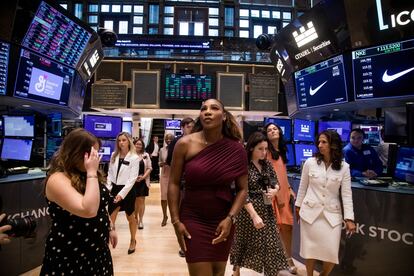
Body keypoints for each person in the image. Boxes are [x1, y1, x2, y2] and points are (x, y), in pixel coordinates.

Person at [168, 99, 248, 276]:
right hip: (192, 217)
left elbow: (243, 189)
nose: (207, 111)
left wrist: (230, 218)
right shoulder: (184, 144)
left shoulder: (236, 149)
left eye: (214, 108)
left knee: (218, 273)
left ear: (224, 116)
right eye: (203, 108)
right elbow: (173, 183)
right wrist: (175, 220)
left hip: (222, 219)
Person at [40, 128, 117, 275]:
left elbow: (100, 206)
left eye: (97, 153)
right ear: (76, 153)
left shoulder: (86, 174)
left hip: (98, 253)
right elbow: (88, 210)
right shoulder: (57, 179)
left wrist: (110, 227)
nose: (95, 159)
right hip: (71, 256)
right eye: (92, 154)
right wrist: (92, 172)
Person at [295, 130, 356, 276]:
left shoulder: (344, 167)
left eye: (324, 142)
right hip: (310, 214)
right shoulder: (310, 163)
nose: (319, 145)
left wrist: (349, 218)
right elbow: (302, 187)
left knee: (332, 252)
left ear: (333, 145)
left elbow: (346, 194)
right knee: (310, 251)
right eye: (319, 142)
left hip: (332, 215)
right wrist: (297, 206)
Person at [230, 132, 289, 276]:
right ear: (251, 148)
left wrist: (275, 191)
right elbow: (242, 193)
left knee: (272, 243)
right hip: (247, 211)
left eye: (265, 149)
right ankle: (236, 271)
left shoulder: (267, 164)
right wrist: (254, 215)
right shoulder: (243, 166)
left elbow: (276, 182)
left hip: (267, 207)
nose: (264, 153)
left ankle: (272, 272)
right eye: (260, 149)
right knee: (243, 241)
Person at [264, 122, 297, 274]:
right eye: (269, 130)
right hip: (272, 193)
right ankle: (274, 261)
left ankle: (288, 258)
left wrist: (289, 188)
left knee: (287, 228)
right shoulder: (265, 151)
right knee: (273, 229)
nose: (272, 131)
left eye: (275, 129)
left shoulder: (282, 149)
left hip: (283, 192)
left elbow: (282, 172)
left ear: (279, 132)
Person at [166, 117, 195, 257]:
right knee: (180, 215)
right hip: (181, 183)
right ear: (182, 127)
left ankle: (192, 240)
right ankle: (182, 245)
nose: (191, 129)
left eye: (193, 126)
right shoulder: (176, 142)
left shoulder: (197, 141)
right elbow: (170, 163)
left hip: (194, 184)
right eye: (189, 126)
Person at [107, 132, 139, 254]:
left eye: (124, 140)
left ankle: (133, 240)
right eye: (119, 140)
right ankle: (107, 241)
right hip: (114, 189)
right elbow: (110, 173)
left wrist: (121, 194)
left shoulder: (134, 158)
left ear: (128, 141)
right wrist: (109, 187)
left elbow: (132, 179)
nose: (121, 143)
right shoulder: (113, 155)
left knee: (130, 217)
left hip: (128, 191)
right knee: (111, 218)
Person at [133, 138, 152, 230]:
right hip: (132, 182)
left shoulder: (146, 155)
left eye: (140, 144)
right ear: (133, 145)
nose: (138, 146)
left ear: (142, 146)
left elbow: (149, 168)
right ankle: (135, 217)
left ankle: (140, 220)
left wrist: (143, 177)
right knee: (134, 201)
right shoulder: (130, 155)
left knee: (141, 201)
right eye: (137, 144)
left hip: (143, 181)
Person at [158, 133, 174, 226]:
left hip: (174, 174)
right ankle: (165, 216)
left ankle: (174, 216)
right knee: (164, 197)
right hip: (164, 174)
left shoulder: (177, 148)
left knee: (174, 197)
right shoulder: (162, 150)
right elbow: (159, 162)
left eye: (170, 139)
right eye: (167, 139)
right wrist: (162, 163)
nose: (168, 141)